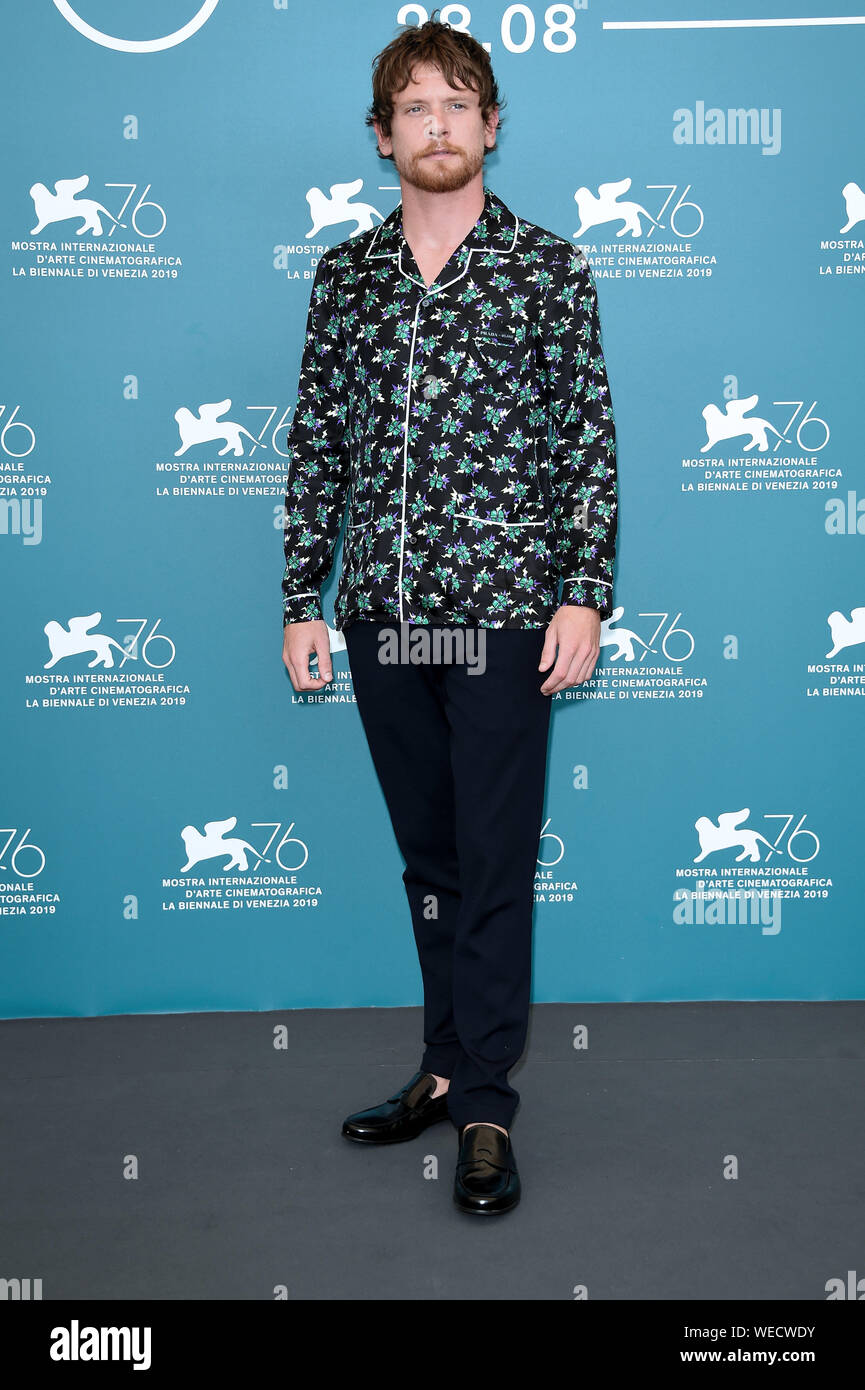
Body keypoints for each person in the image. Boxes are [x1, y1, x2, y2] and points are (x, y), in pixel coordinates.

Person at [281, 15, 617, 1215]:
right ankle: (440, 1062)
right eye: (414, 105)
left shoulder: (548, 268)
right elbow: (317, 447)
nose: (437, 122)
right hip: (382, 620)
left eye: (457, 103)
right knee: (430, 860)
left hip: (505, 617)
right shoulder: (346, 278)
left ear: (488, 126)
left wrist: (583, 592)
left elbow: (584, 442)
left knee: (492, 861)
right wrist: (298, 601)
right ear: (383, 137)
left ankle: (486, 1103)